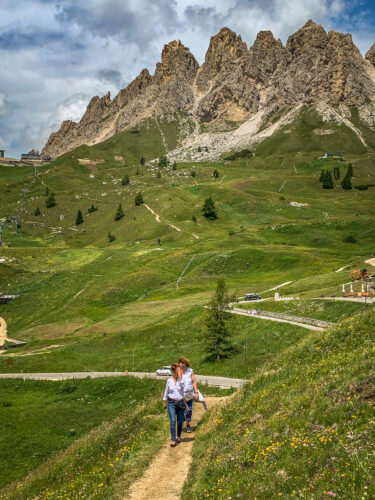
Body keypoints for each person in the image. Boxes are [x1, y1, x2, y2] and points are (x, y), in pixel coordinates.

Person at [163, 363, 185, 447]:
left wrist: (180, 378)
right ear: (174, 371)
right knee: (173, 421)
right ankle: (173, 439)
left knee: (180, 422)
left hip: (180, 402)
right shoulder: (169, 380)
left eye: (180, 370)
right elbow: (166, 391)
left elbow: (184, 388)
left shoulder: (182, 379)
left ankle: (179, 435)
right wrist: (164, 401)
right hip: (171, 403)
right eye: (178, 370)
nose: (180, 371)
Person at [179, 356, 199, 433]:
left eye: (183, 367)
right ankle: (181, 425)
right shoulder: (178, 372)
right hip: (180, 395)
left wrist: (196, 392)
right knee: (181, 410)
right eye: (180, 367)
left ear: (186, 365)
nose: (182, 368)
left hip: (189, 394)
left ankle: (187, 424)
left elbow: (194, 382)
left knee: (189, 410)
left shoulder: (190, 371)